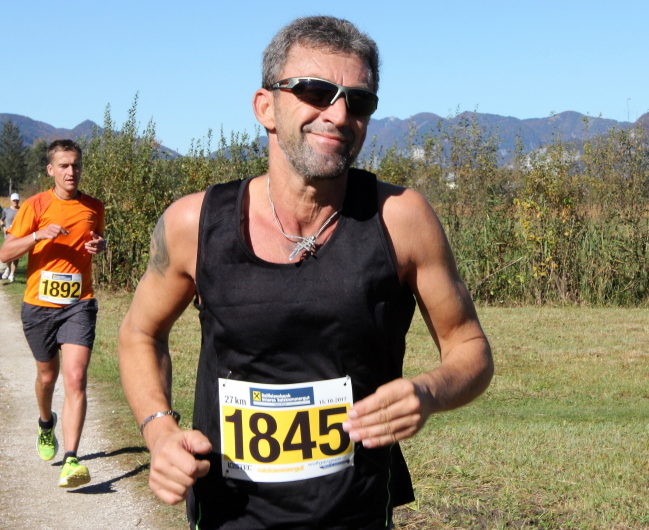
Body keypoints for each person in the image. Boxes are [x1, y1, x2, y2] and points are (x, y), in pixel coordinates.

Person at [118, 16, 494, 529]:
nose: (337, 114)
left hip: (358, 516)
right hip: (229, 516)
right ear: (265, 107)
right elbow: (140, 333)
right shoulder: (193, 224)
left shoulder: (402, 219)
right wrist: (159, 430)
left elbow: (470, 348)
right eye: (315, 92)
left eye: (358, 101)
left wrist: (427, 393)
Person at [0, 139, 106, 489]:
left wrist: (100, 245)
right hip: (39, 306)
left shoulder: (94, 206)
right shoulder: (35, 205)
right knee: (47, 377)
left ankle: (72, 458)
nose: (71, 171)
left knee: (76, 378)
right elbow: (5, 254)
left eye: (75, 165)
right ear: (51, 170)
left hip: (79, 303)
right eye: (63, 166)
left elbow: (97, 237)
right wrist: (37, 235)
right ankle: (46, 422)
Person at [0, 192, 21, 282]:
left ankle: (12, 274)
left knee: (16, 256)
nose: (15, 202)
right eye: (14, 200)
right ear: (11, 201)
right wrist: (4, 227)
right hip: (8, 236)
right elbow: (1, 220)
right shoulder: (6, 210)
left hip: (18, 236)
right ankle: (8, 268)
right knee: (9, 255)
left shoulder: (21, 210)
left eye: (17, 200)